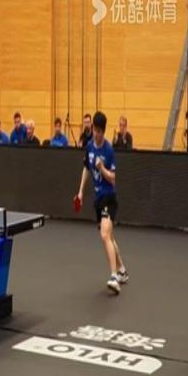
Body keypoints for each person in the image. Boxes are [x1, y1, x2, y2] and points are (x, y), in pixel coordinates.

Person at [75, 111, 128, 295]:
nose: (96, 134)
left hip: (109, 198)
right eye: (94, 130)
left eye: (99, 131)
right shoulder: (89, 146)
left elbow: (112, 178)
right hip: (97, 199)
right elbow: (86, 169)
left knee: (105, 234)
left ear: (103, 131)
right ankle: (122, 270)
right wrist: (81, 192)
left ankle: (114, 277)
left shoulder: (108, 150)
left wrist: (102, 168)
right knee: (109, 237)